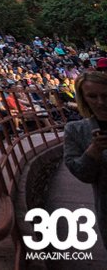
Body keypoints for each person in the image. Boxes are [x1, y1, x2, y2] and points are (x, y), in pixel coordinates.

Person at [64, 69, 107, 249]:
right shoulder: (76, 130)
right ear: (83, 98)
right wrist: (94, 150)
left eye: (105, 95)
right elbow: (82, 174)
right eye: (92, 96)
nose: (100, 102)